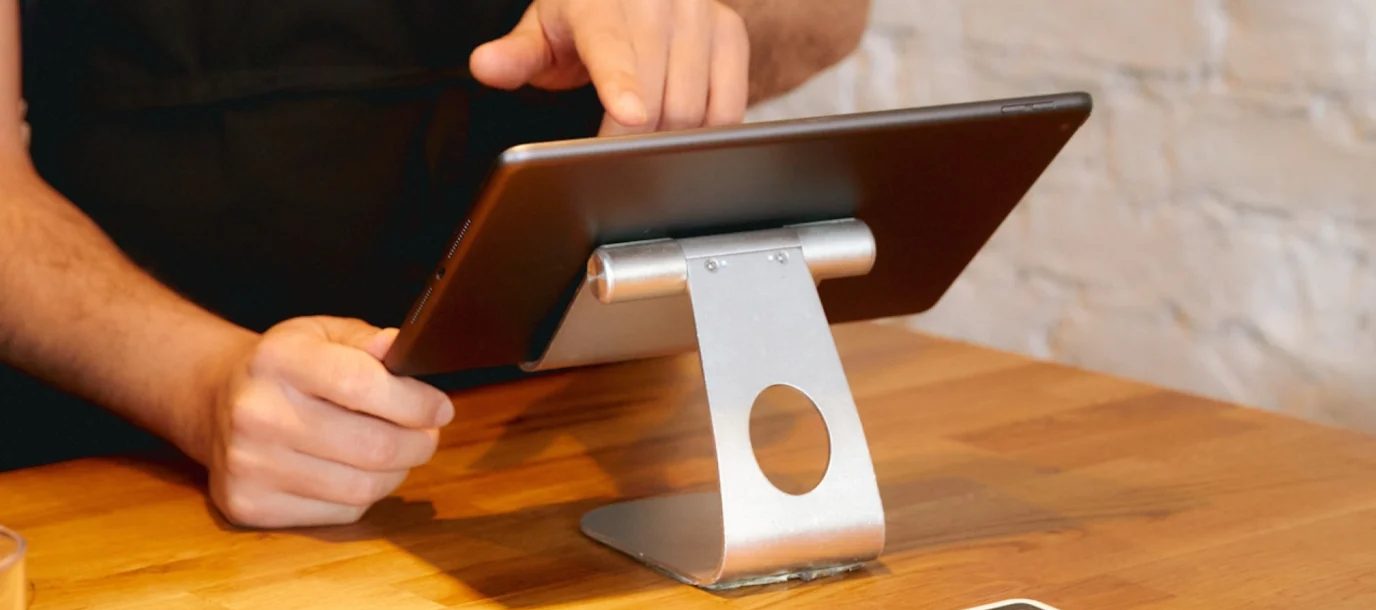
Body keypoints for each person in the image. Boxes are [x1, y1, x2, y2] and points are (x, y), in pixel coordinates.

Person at [0, 0, 870, 527]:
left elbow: (831, 17)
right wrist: (197, 384)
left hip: (589, 458)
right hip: (126, 473)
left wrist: (691, 17)